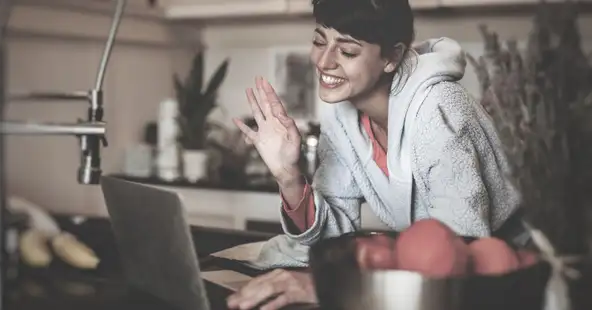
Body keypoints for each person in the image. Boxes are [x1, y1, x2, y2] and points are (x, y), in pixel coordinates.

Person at [226, 0, 527, 309]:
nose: (324, 61)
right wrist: (288, 175)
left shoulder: (437, 109)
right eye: (319, 40)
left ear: (391, 57)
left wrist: (329, 286)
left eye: (347, 51)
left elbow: (456, 253)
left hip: (508, 281)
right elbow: (334, 240)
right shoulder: (342, 115)